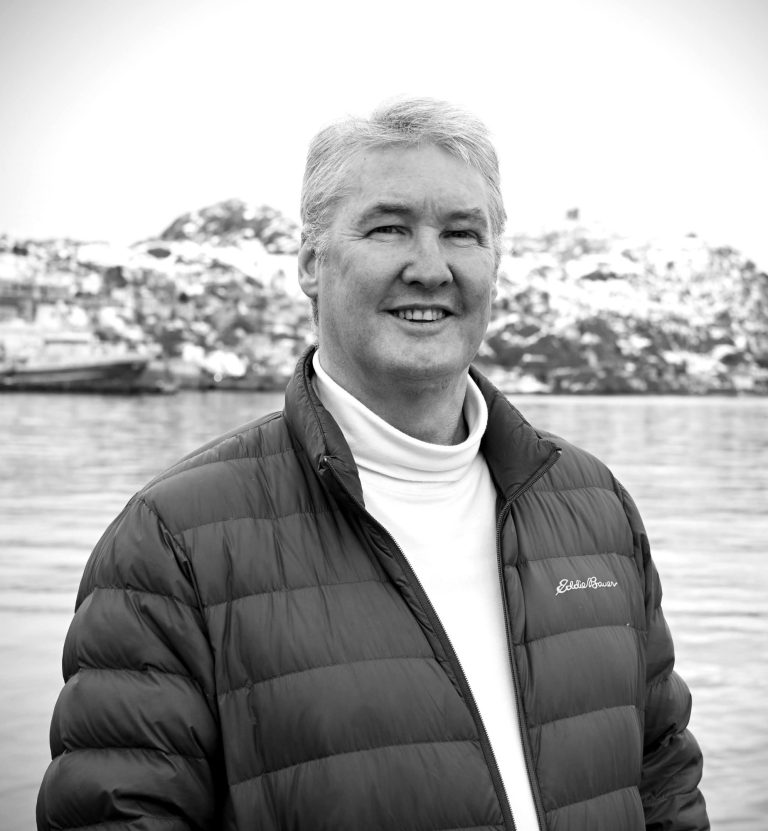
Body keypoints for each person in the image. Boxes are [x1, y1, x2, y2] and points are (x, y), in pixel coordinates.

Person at [38, 98, 709, 831]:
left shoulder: (595, 507)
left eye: (462, 233)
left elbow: (665, 783)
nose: (430, 268)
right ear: (310, 263)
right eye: (390, 228)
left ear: (495, 262)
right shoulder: (173, 543)